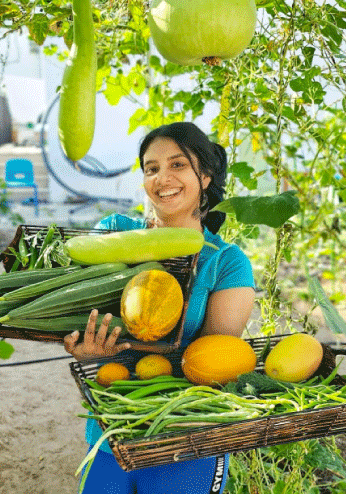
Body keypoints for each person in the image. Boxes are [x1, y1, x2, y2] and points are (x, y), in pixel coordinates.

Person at [63, 121, 256, 494]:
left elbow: (213, 362)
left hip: (188, 439)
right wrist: (82, 347)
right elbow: (77, 312)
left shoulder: (226, 262)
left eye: (177, 164)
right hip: (111, 431)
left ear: (205, 175)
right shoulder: (113, 233)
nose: (162, 178)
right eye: (151, 168)